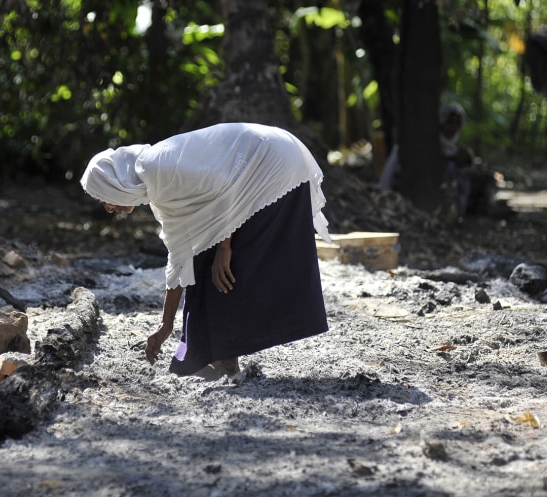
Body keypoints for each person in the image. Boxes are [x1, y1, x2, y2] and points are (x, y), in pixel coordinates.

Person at [80, 122, 332, 380]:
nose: (108, 208)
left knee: (222, 263)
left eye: (103, 199)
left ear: (114, 183)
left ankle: (221, 359)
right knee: (203, 260)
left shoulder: (158, 167)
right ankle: (213, 357)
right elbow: (179, 257)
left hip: (272, 162)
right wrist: (165, 325)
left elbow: (223, 184)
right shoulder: (158, 190)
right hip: (265, 166)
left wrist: (224, 245)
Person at [379, 103, 497, 219]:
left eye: (457, 124)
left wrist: (467, 158)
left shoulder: (453, 150)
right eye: (450, 122)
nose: (453, 128)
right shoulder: (421, 143)